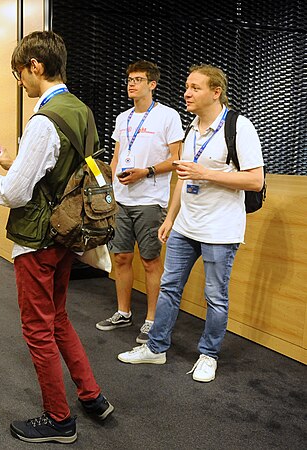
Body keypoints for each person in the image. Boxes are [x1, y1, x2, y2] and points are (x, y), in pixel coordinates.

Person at [0, 31, 113, 445]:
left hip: (37, 240)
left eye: (19, 73)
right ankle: (92, 396)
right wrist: (13, 161)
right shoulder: (80, 110)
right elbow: (62, 167)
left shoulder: (44, 120)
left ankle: (59, 419)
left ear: (35, 66)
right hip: (69, 234)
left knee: (37, 329)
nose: (20, 82)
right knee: (60, 317)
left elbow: (14, 192)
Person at [117, 65, 264, 382]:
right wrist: (171, 218)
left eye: (195, 87)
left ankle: (208, 355)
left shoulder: (240, 127)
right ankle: (155, 349)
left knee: (216, 297)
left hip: (220, 230)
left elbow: (255, 179)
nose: (187, 92)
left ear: (215, 92)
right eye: (186, 86)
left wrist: (205, 174)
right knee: (169, 289)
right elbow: (183, 179)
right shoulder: (193, 129)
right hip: (186, 225)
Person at [96, 61, 183, 344]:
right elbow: (117, 157)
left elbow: (175, 160)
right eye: (129, 79)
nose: (131, 84)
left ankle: (151, 320)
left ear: (152, 84)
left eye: (138, 79)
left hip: (150, 200)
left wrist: (146, 172)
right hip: (121, 199)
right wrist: (108, 190)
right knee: (120, 257)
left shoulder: (168, 117)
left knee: (149, 260)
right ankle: (123, 312)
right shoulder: (123, 118)